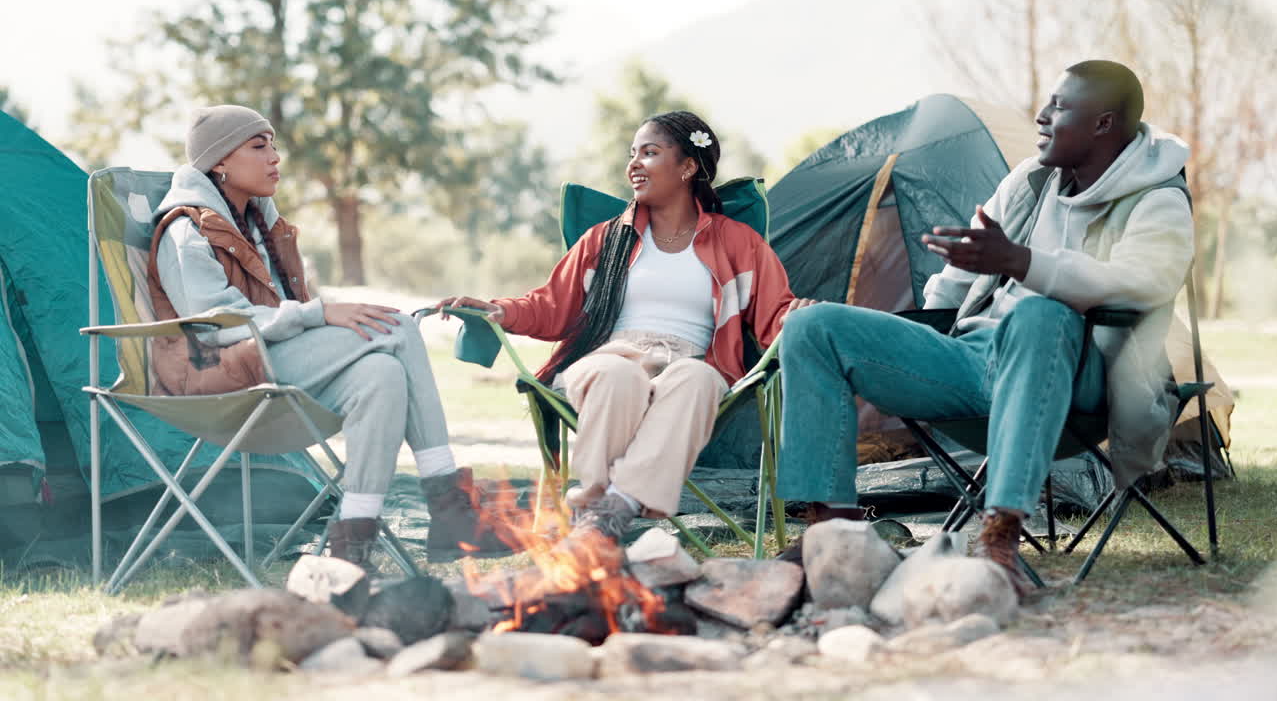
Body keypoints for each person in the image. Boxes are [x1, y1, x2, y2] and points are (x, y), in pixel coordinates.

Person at [775, 60, 1194, 593]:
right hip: (975, 359)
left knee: (1040, 312)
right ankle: (831, 535)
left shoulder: (1158, 199)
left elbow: (1143, 283)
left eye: (1060, 106)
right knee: (813, 326)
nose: (1041, 116)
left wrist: (1023, 262)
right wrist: (924, 330)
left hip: (1083, 378)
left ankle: (1000, 535)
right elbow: (953, 283)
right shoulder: (1029, 182)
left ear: (1103, 123)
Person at [147, 105, 513, 569]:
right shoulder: (186, 230)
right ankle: (450, 508)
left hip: (265, 360)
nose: (274, 157)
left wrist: (314, 316)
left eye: (274, 145)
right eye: (258, 146)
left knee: (382, 375)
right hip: (217, 373)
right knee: (398, 327)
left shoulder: (256, 222)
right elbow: (212, 323)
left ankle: (351, 545)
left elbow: (277, 309)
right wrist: (318, 313)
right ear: (219, 161)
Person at [437, 111, 814, 546]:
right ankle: (604, 505)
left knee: (696, 380)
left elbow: (773, 315)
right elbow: (551, 306)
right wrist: (499, 309)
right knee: (618, 375)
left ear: (688, 166)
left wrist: (796, 317)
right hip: (609, 356)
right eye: (632, 154)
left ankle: (610, 511)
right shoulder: (606, 238)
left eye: (649, 153)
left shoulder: (737, 242)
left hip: (693, 361)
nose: (633, 164)